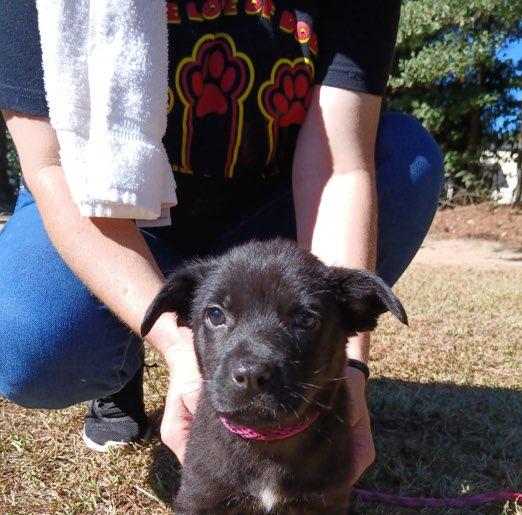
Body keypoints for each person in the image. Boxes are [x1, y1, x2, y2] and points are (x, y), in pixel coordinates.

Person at [0, 0, 444, 484]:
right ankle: (122, 361)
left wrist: (348, 371)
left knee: (407, 161)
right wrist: (176, 346)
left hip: (264, 229)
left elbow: (337, 167)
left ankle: (287, 357)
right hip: (111, 209)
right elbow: (52, 167)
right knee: (30, 342)